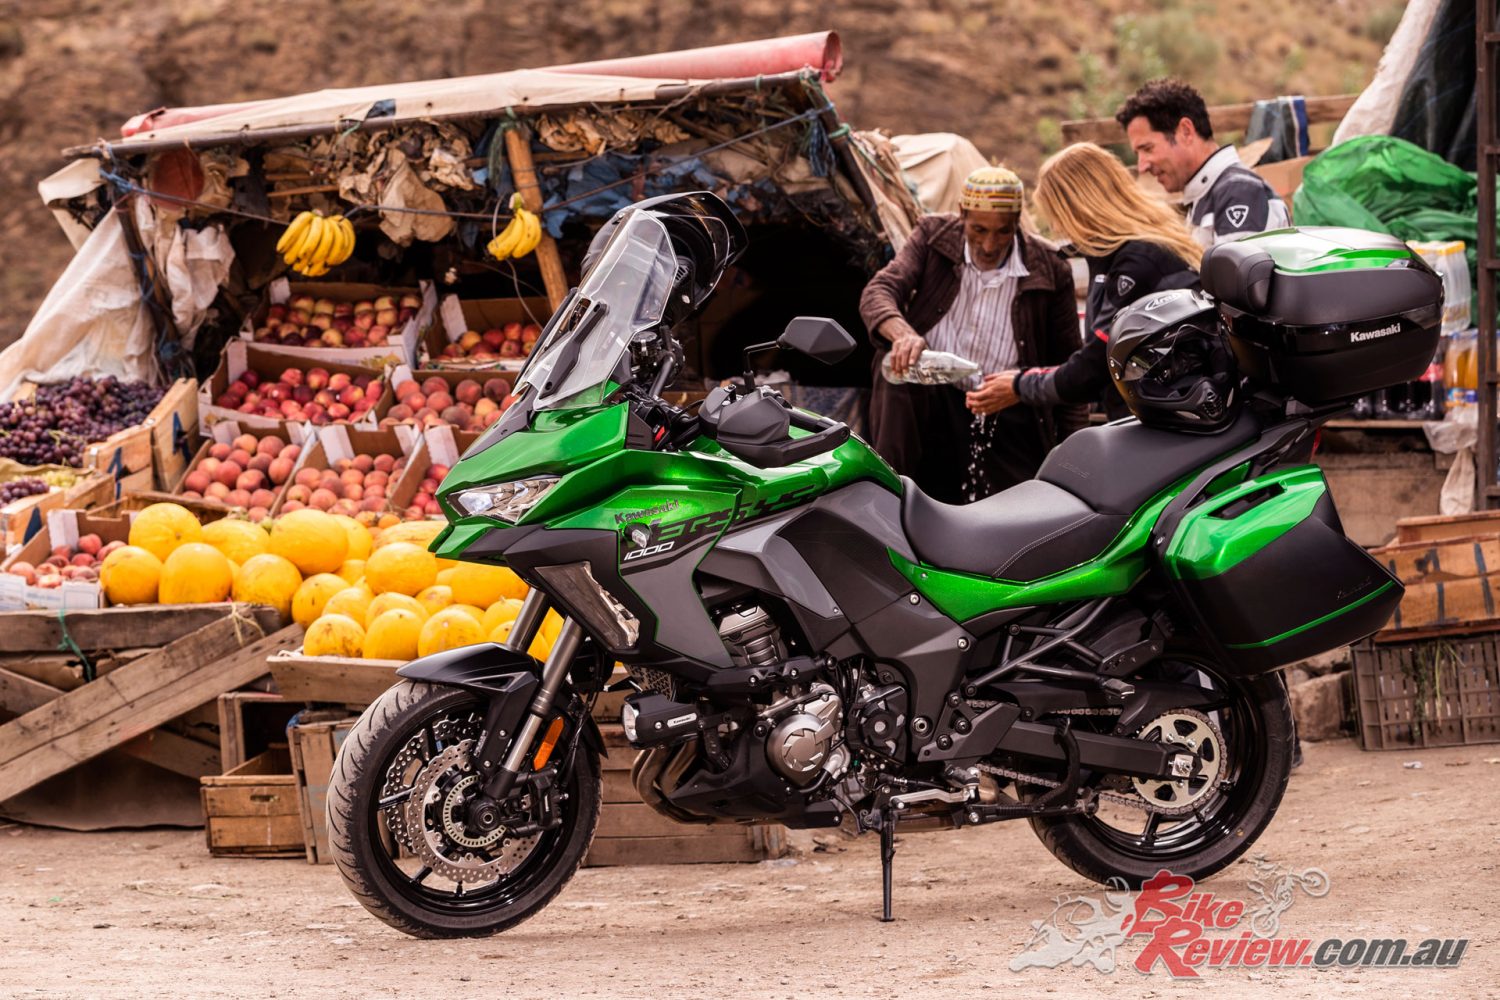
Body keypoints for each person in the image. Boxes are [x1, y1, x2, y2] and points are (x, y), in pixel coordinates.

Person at [859, 166, 1085, 503]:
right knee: (898, 367)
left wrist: (1075, 460)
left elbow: (1070, 368)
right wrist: (903, 334)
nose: (990, 244)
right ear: (962, 215)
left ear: (1017, 223)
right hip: (934, 400)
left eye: (1003, 232)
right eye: (979, 229)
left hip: (1005, 405)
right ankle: (889, 500)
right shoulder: (932, 236)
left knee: (1015, 513)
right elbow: (880, 290)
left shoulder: (1050, 268)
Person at [988, 143, 1203, 418]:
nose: (1057, 228)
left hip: (1168, 422)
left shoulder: (1137, 261)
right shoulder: (1124, 252)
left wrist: (1020, 385)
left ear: (1080, 208)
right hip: (1163, 413)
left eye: (1057, 216)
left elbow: (1097, 365)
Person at [1116, 78, 1291, 247]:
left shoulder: (1238, 192)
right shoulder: (1208, 193)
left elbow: (1236, 276)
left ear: (1186, 131)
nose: (1142, 166)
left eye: (1147, 149)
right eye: (1137, 154)